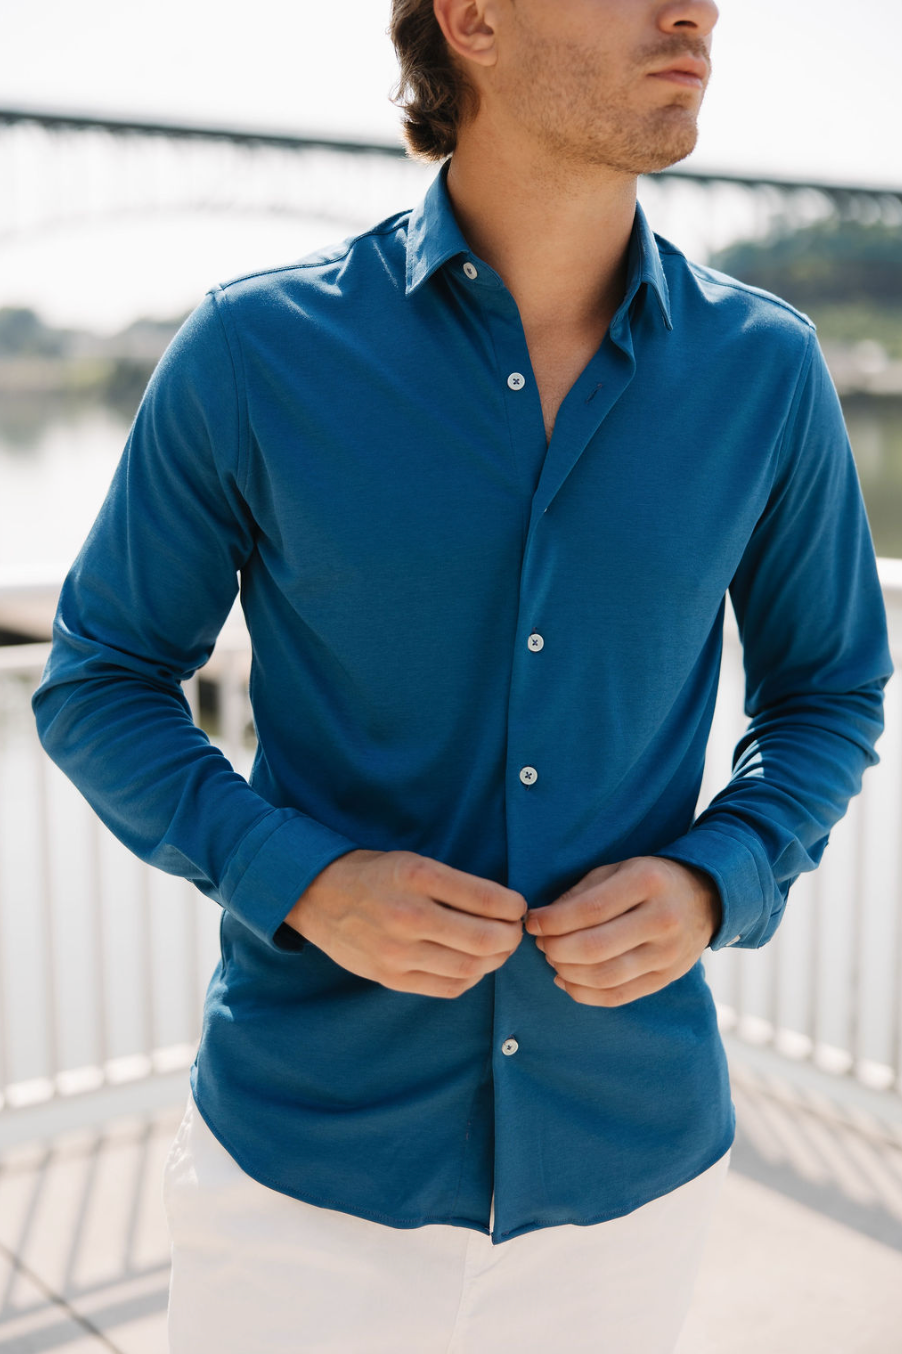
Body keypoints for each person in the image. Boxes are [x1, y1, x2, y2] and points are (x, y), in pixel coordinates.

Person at [32, 1, 893, 1351]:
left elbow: (830, 688)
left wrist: (718, 871)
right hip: (302, 1183)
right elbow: (100, 677)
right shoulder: (254, 355)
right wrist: (301, 880)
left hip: (629, 1178)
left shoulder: (766, 372)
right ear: (472, 18)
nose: (696, 9)